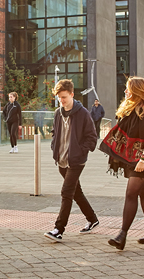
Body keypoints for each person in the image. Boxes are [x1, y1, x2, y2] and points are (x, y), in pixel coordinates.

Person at [100, 77, 144, 250]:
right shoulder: (129, 109)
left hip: (142, 158)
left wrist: (143, 159)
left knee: (131, 194)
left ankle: (122, 234)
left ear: (137, 91)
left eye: (128, 89)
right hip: (131, 157)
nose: (125, 91)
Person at [44, 79, 99, 242]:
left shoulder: (83, 114)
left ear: (72, 95)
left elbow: (92, 137)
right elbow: (55, 132)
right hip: (61, 160)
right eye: (59, 97)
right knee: (76, 193)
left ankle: (58, 229)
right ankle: (92, 219)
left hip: (76, 161)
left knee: (66, 192)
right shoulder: (57, 113)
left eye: (64, 97)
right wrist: (54, 145)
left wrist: (81, 151)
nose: (62, 100)